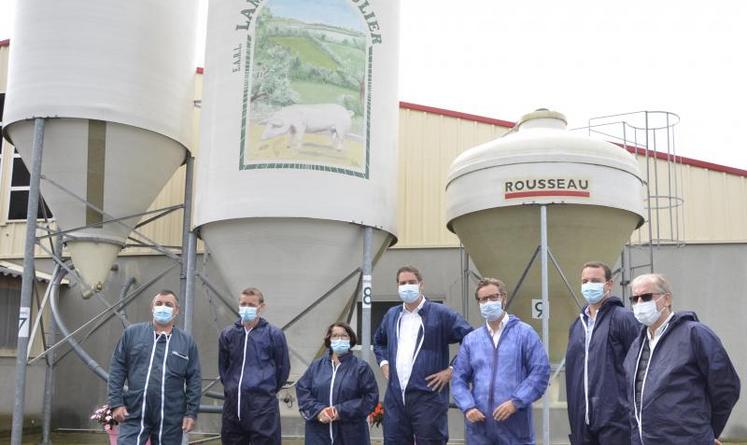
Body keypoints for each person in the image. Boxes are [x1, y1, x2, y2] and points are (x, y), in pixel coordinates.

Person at [623, 273, 740, 445]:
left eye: (646, 297)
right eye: (635, 299)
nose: (639, 303)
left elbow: (726, 387)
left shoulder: (695, 334)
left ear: (667, 299)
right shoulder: (637, 345)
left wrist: (708, 431)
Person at [373, 265, 473, 445]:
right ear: (397, 286)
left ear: (421, 285)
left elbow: (471, 340)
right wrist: (384, 363)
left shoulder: (441, 314)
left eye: (412, 282)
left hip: (429, 397)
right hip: (396, 398)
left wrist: (452, 369)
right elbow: (379, 341)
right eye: (403, 283)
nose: (407, 286)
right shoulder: (392, 315)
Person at [452, 278, 550, 444]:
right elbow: (458, 378)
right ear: (478, 303)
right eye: (483, 299)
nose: (488, 302)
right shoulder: (472, 340)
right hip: (479, 428)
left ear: (503, 298)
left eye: (493, 297)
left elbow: (540, 372)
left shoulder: (524, 334)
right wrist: (468, 406)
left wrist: (515, 402)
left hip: (515, 426)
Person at [108, 290, 202, 445]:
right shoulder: (132, 334)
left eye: (168, 304)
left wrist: (191, 413)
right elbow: (117, 369)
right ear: (152, 307)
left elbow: (194, 380)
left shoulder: (186, 342)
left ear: (176, 310)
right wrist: (116, 403)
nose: (163, 307)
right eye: (159, 304)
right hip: (135, 410)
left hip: (171, 415)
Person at [565, 261, 640, 444]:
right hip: (582, 422)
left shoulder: (624, 319)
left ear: (609, 284)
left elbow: (641, 367)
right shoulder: (577, 326)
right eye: (585, 281)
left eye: (595, 280)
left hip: (616, 421)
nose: (589, 285)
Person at [218, 287, 290, 445]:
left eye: (251, 305)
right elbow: (224, 368)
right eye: (243, 304)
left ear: (261, 307)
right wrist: (233, 387)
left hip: (262, 407)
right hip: (233, 405)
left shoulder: (274, 334)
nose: (246, 308)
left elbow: (282, 369)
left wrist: (264, 389)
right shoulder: (228, 334)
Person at [296, 322, 379, 444]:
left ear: (350, 339)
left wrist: (339, 411)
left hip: (351, 435)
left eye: (344, 335)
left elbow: (370, 398)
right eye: (335, 335)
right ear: (329, 340)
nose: (339, 339)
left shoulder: (361, 368)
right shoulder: (316, 366)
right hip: (318, 435)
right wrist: (319, 411)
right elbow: (302, 390)